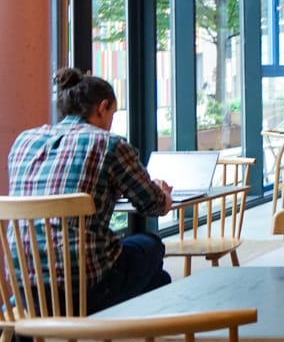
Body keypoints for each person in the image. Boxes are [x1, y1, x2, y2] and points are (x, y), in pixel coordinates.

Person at [8, 67, 173, 314]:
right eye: (112, 114)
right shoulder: (109, 144)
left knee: (158, 279)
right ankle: (106, 337)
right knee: (151, 245)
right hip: (84, 288)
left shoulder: (24, 141)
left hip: (25, 288)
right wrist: (164, 194)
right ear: (102, 107)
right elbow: (154, 205)